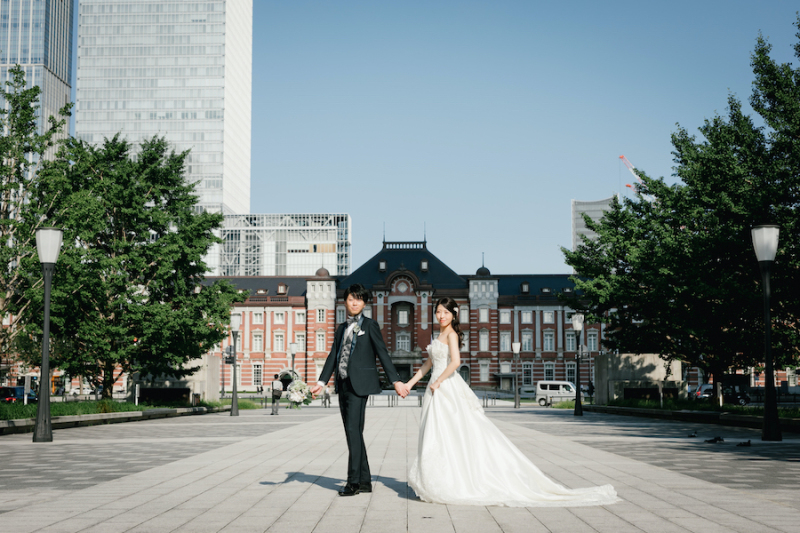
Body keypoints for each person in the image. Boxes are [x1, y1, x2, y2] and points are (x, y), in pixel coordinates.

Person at [405, 297, 620, 507]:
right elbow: (427, 365)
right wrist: (409, 384)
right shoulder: (438, 335)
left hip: (445, 387)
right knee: (438, 432)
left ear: (454, 315)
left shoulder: (451, 334)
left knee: (450, 431)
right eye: (438, 312)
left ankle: (454, 479)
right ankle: (444, 478)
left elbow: (456, 362)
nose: (441, 316)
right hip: (436, 387)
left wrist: (439, 381)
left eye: (445, 312)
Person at [311, 283, 409, 496]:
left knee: (352, 431)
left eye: (359, 299)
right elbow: (333, 355)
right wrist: (321, 382)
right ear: (345, 302)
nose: (354, 303)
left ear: (364, 303)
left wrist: (396, 381)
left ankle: (353, 482)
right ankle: (364, 481)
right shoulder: (341, 328)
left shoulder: (370, 325)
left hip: (360, 384)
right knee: (353, 432)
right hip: (343, 384)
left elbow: (382, 353)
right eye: (351, 299)